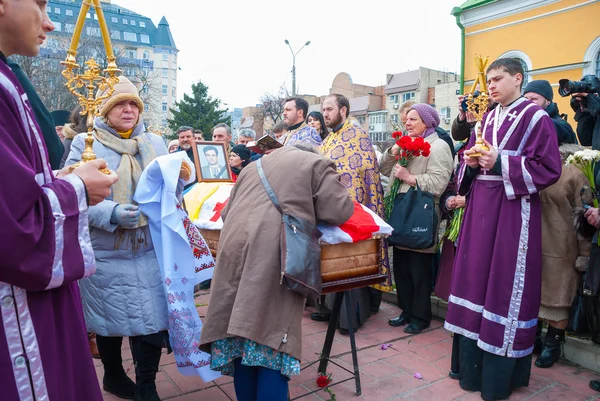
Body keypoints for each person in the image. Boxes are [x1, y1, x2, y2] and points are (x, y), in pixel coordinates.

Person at [0, 1, 119, 399]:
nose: (49, 22)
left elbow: (17, 187)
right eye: (39, 3)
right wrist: (77, 189)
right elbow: (13, 230)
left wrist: (57, 181)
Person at [444, 58, 562, 400]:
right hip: (481, 205)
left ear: (517, 79)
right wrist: (469, 162)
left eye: (497, 79)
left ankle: (497, 379)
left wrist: (502, 162)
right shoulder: (487, 117)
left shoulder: (535, 117)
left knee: (503, 281)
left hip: (513, 210)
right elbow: (470, 156)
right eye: (489, 80)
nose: (491, 85)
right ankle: (469, 371)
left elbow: (549, 168)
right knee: (475, 276)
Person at [200, 143, 354, 401]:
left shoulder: (253, 167)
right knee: (272, 338)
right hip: (273, 253)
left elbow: (227, 212)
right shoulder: (317, 164)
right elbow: (338, 210)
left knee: (240, 335)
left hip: (233, 252)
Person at [66, 76, 170, 401]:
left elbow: (170, 189)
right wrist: (110, 212)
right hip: (106, 250)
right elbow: (71, 190)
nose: (128, 109)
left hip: (149, 247)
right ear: (105, 111)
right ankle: (113, 375)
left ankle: (147, 386)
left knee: (152, 320)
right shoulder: (85, 143)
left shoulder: (156, 141)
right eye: (120, 104)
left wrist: (183, 179)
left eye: (133, 104)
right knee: (109, 320)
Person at [312, 94, 390, 333]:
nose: (324, 114)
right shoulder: (330, 137)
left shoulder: (356, 135)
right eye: (323, 110)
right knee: (330, 257)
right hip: (329, 206)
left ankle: (350, 317)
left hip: (351, 208)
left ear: (343, 110)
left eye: (329, 109)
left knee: (350, 260)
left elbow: (357, 174)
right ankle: (329, 309)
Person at [380, 104, 453, 333]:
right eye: (407, 119)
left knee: (418, 269)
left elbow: (439, 183)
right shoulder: (403, 144)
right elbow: (383, 169)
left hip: (420, 213)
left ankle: (421, 317)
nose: (407, 123)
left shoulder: (439, 146)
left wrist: (409, 177)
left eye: (413, 119)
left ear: (427, 122)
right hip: (400, 211)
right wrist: (393, 153)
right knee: (401, 265)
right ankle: (406, 310)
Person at [535, 137, 589, 369]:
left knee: (557, 301)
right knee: (532, 298)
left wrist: (584, 254)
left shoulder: (575, 171)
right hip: (534, 243)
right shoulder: (535, 165)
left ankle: (552, 344)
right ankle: (534, 338)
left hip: (562, 246)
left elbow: (584, 216)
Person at [523, 80, 577, 144]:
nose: (528, 102)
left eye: (534, 99)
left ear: (548, 101)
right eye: (526, 99)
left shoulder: (561, 124)